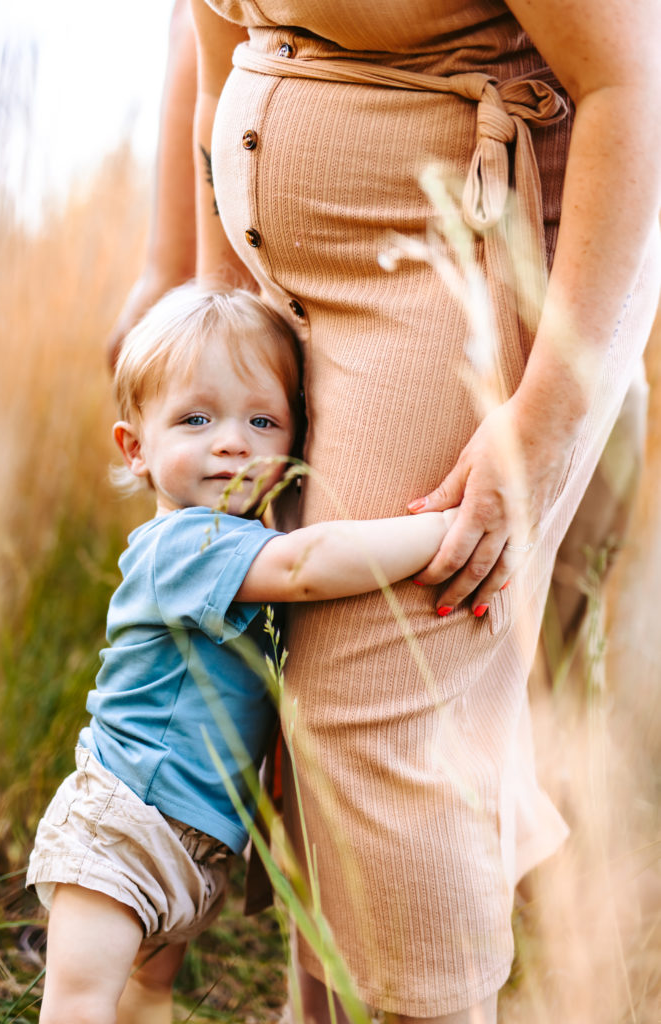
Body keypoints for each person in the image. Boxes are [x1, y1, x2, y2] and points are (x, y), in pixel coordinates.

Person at [109, 3, 661, 1022]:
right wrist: (214, 319)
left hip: (443, 262)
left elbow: (634, 84)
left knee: (378, 714)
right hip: (290, 290)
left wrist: (538, 427)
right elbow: (218, 38)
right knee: (304, 713)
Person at [26, 283, 459, 1024]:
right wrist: (444, 531)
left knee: (148, 992)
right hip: (124, 822)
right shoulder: (182, 545)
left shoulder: (239, 540)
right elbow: (308, 565)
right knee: (80, 1002)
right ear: (135, 449)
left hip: (195, 839)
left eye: (262, 420)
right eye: (196, 419)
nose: (232, 442)